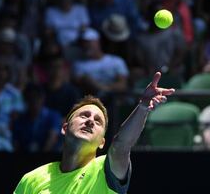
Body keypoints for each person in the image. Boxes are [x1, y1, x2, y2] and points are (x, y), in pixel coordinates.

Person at [14, 72, 175, 193]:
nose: (90, 120)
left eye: (98, 121)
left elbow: (121, 145)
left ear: (102, 142)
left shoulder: (105, 170)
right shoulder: (32, 179)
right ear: (64, 128)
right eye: (84, 115)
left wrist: (143, 106)